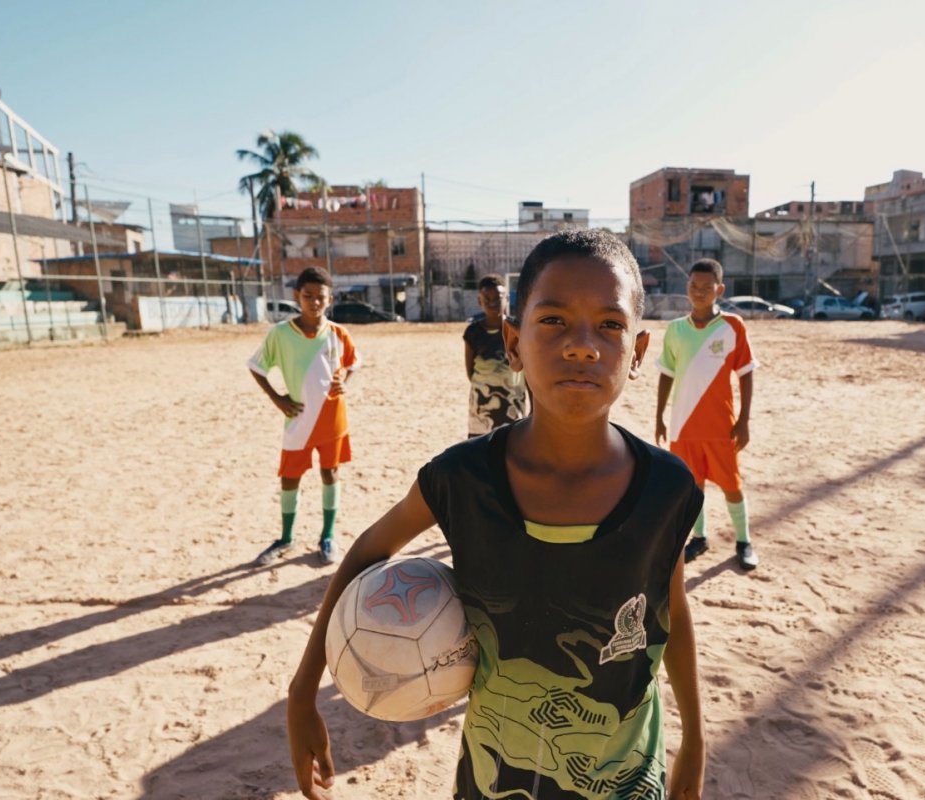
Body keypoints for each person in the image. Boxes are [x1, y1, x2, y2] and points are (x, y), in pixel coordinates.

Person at [286, 230, 706, 799]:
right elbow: (368, 551)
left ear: (638, 351)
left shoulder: (667, 487)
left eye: (610, 324)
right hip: (493, 779)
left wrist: (696, 744)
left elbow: (670, 606)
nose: (582, 345)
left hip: (626, 781)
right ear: (512, 342)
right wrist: (303, 691)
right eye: (553, 320)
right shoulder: (464, 479)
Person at [248, 266, 360, 567]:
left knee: (330, 473)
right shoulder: (281, 334)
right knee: (290, 477)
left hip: (333, 418)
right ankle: (286, 538)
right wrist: (277, 398)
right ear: (297, 296)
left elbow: (353, 363)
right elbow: (256, 366)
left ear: (330, 299)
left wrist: (344, 383)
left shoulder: (338, 333)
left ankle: (327, 536)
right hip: (297, 419)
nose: (314, 302)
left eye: (320, 297)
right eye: (307, 295)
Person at [655, 258, 759, 571]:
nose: (699, 292)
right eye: (693, 285)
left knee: (731, 485)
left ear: (719, 290)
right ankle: (699, 537)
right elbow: (666, 373)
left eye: (706, 287)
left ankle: (744, 541)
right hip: (682, 426)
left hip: (720, 427)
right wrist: (659, 415)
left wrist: (743, 420)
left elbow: (746, 373)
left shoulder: (733, 326)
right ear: (687, 287)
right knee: (691, 487)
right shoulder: (675, 329)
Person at [463, 274, 528, 437]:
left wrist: (533, 407)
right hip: (481, 406)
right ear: (479, 302)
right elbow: (470, 372)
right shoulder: (473, 333)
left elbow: (528, 371)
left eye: (498, 298)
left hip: (513, 404)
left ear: (506, 298)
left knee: (511, 449)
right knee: (479, 452)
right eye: (487, 299)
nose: (493, 303)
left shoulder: (518, 330)